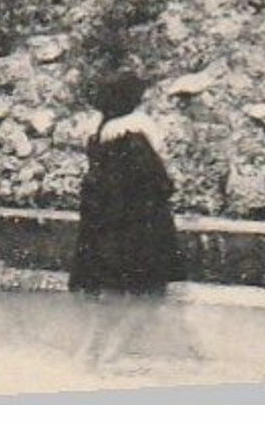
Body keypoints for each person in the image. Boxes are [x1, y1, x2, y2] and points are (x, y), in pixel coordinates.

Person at [70, 68, 186, 367]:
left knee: (109, 294)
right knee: (147, 294)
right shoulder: (135, 135)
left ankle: (88, 351)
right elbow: (157, 182)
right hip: (139, 224)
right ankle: (111, 355)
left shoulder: (98, 133)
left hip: (104, 223)